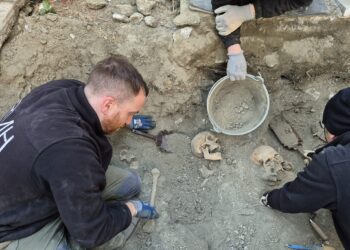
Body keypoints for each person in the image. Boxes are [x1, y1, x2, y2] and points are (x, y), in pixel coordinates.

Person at [0, 55, 159, 249]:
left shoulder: (65, 88)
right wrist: (131, 209)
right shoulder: (70, 153)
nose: (129, 120)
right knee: (84, 233)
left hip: (38, 177)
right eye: (130, 113)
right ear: (108, 105)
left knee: (130, 185)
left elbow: (68, 158)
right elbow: (92, 233)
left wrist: (126, 121)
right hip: (12, 220)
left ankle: (73, 215)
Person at [260, 87, 350, 249]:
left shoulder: (333, 165)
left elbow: (294, 199)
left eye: (327, 129)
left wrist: (269, 199)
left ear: (334, 134)